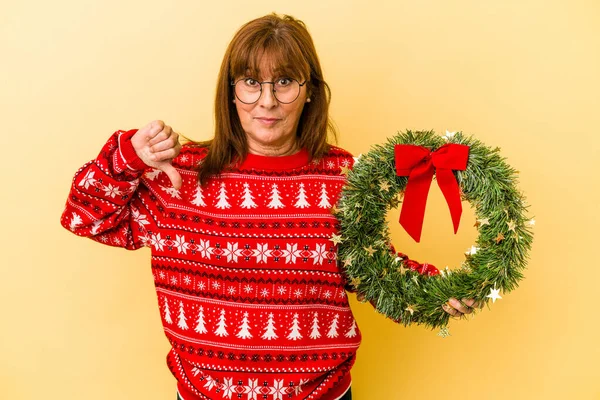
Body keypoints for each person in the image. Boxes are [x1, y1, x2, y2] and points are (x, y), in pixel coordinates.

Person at [60, 13, 482, 400]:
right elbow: (84, 217)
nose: (267, 101)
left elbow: (371, 271)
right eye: (249, 82)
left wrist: (434, 293)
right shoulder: (180, 174)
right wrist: (127, 159)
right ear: (230, 92)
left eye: (284, 82)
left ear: (310, 92)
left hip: (321, 394)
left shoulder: (342, 176)